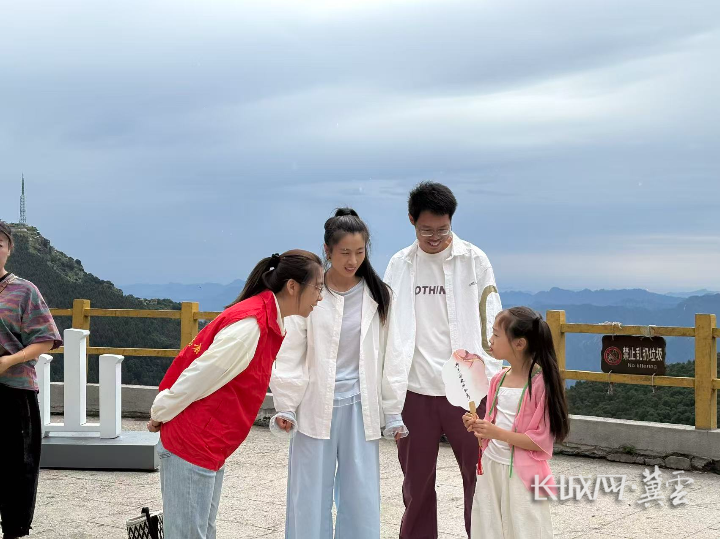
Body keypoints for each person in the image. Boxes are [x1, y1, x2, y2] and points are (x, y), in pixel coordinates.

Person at [147, 250, 323, 539]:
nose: (320, 297)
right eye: (317, 287)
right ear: (292, 286)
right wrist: (160, 411)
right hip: (192, 442)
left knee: (200, 532)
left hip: (209, 444)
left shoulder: (267, 319)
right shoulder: (251, 325)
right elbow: (198, 375)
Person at [270, 208, 406, 538]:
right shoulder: (310, 292)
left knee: (361, 499)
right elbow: (291, 350)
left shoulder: (380, 295)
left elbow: (392, 354)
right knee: (308, 496)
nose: (352, 260)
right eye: (345, 252)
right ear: (327, 250)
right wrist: (286, 405)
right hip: (314, 405)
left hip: (360, 407)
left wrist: (393, 411)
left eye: (360, 252)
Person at [383, 182, 503, 538]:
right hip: (415, 390)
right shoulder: (400, 265)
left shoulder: (474, 260)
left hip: (468, 391)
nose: (435, 238)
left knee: (478, 479)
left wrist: (490, 385)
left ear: (452, 221)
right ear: (411, 221)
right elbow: (386, 326)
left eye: (442, 229)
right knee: (416, 483)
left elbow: (490, 319)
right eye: (426, 230)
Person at [464, 307, 569, 538]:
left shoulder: (541, 384)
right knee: (488, 527)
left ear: (519, 344)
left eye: (496, 334)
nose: (490, 340)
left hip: (523, 474)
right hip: (492, 466)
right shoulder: (498, 379)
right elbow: (492, 425)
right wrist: (479, 426)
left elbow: (540, 441)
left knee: (524, 529)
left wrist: (495, 432)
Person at [0, 221, 62, 539]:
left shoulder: (24, 291)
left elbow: (46, 339)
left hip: (14, 392)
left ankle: (13, 530)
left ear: (9, 249)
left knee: (16, 469)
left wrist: (8, 361)